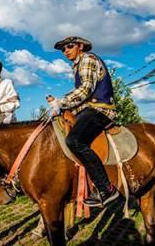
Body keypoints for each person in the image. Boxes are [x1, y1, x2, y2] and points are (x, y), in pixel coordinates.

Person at [47, 36, 119, 207]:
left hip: (101, 109)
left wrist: (61, 102)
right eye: (63, 49)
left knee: (75, 141)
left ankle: (106, 188)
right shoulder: (78, 65)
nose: (66, 51)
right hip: (89, 109)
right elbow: (82, 97)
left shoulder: (87, 59)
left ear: (80, 46)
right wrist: (64, 109)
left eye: (69, 47)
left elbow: (86, 89)